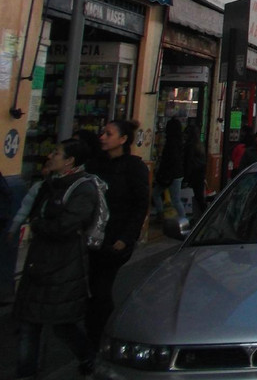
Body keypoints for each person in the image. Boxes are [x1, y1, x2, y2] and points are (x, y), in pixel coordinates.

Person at [14, 139, 98, 378]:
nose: (50, 156)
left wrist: (38, 225)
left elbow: (66, 225)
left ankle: (87, 357)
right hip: (38, 263)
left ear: (70, 160)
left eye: (57, 153)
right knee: (29, 325)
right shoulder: (49, 184)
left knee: (63, 324)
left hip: (64, 265)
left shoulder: (82, 188)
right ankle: (26, 373)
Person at [86, 119, 149, 350]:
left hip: (114, 239)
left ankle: (101, 339)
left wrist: (126, 238)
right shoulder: (94, 164)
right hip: (90, 238)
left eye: (108, 134)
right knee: (92, 289)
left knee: (101, 290)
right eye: (102, 132)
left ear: (123, 140)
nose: (102, 137)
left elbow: (140, 204)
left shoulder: (133, 167)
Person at [152, 118, 185, 222]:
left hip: (169, 175)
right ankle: (180, 219)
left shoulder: (171, 143)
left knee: (172, 198)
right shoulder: (180, 141)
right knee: (174, 198)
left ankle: (181, 220)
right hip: (176, 174)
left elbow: (169, 160)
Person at [182, 121, 207, 218]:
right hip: (199, 175)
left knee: (196, 198)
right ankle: (203, 216)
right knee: (199, 197)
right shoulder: (199, 145)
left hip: (193, 175)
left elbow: (188, 163)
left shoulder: (190, 146)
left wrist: (186, 178)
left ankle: (202, 216)